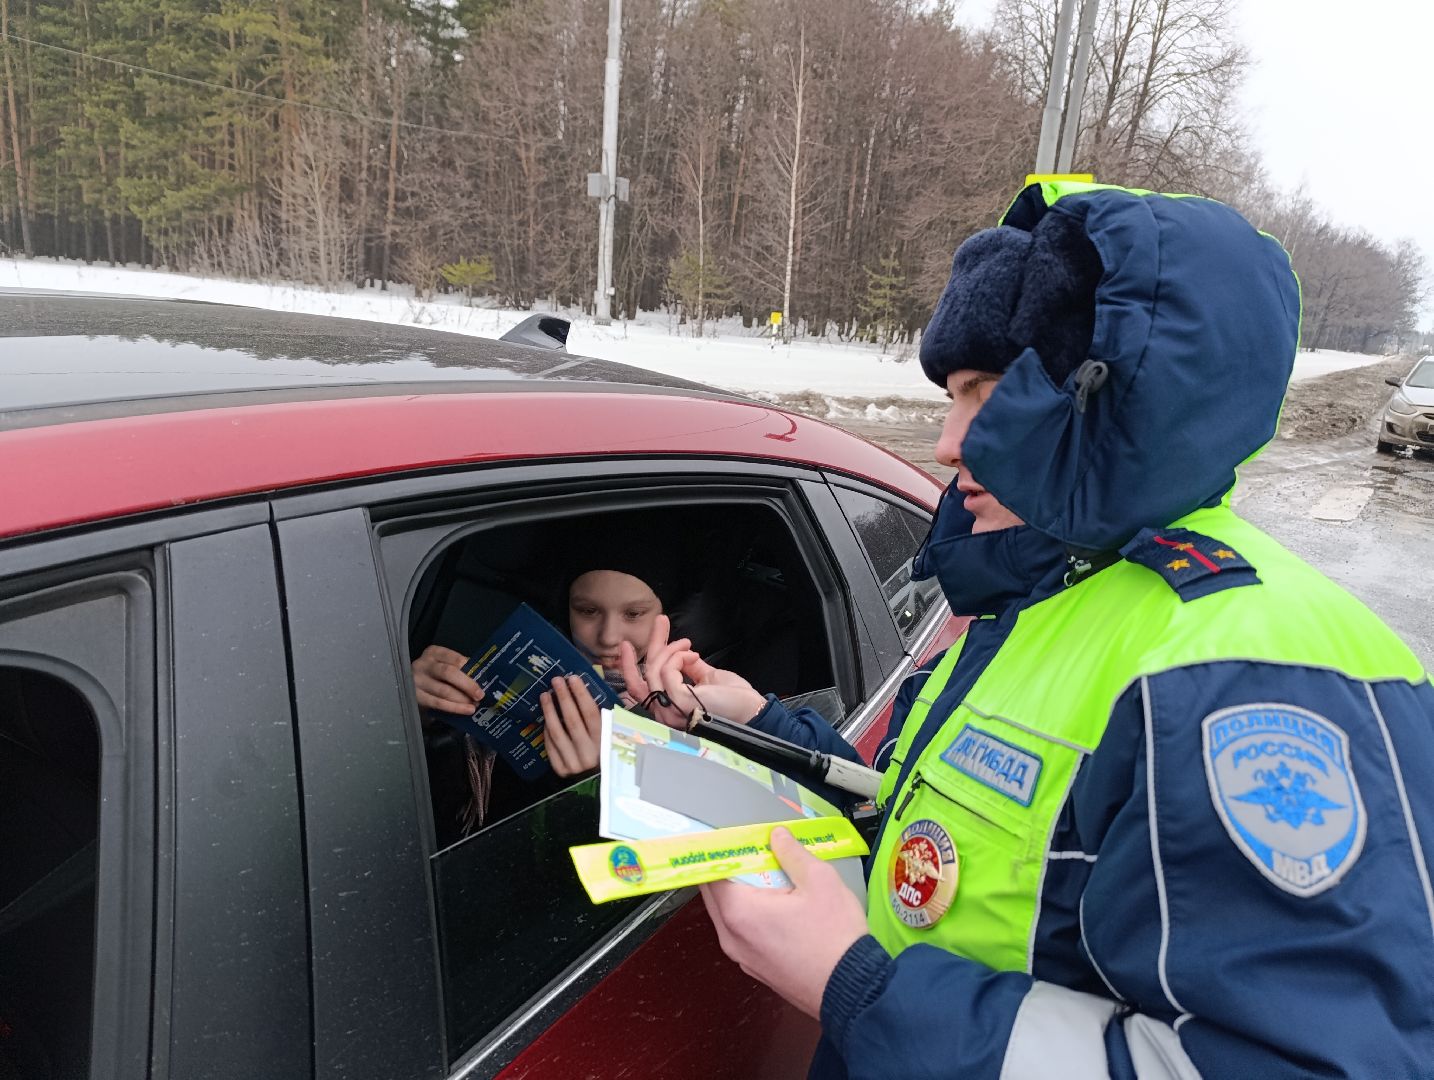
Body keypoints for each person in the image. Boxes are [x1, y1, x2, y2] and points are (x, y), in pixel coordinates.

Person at [623, 180, 1434, 1077]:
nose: (946, 442)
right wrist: (759, 722)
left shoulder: (1250, 671)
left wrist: (858, 986)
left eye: (991, 393)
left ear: (1120, 400)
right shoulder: (1048, 590)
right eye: (952, 394)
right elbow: (940, 836)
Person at [413, 549, 691, 834]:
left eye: (633, 614)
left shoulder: (688, 708)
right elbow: (448, 821)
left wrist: (595, 781)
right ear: (565, 607)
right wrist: (418, 717)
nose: (608, 637)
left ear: (665, 617)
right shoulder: (510, 675)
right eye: (587, 610)